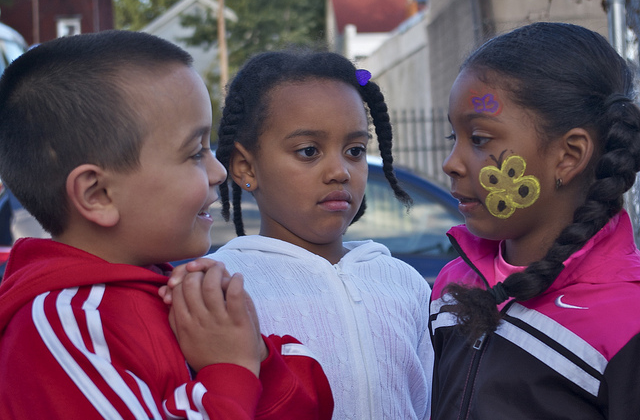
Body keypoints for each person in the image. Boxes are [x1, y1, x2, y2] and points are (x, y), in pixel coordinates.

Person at [0, 30, 333, 419]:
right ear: (98, 195)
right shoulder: (65, 326)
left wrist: (255, 353)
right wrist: (228, 369)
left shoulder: (167, 298)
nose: (219, 171)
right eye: (195, 153)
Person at [164, 49, 434, 419]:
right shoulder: (220, 288)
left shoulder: (404, 283)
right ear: (246, 167)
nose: (340, 171)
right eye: (309, 151)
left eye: (354, 150)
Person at [430, 21, 640, 419]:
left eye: (478, 139)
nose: (450, 163)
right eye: (451, 138)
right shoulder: (452, 286)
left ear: (569, 155)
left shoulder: (629, 316)